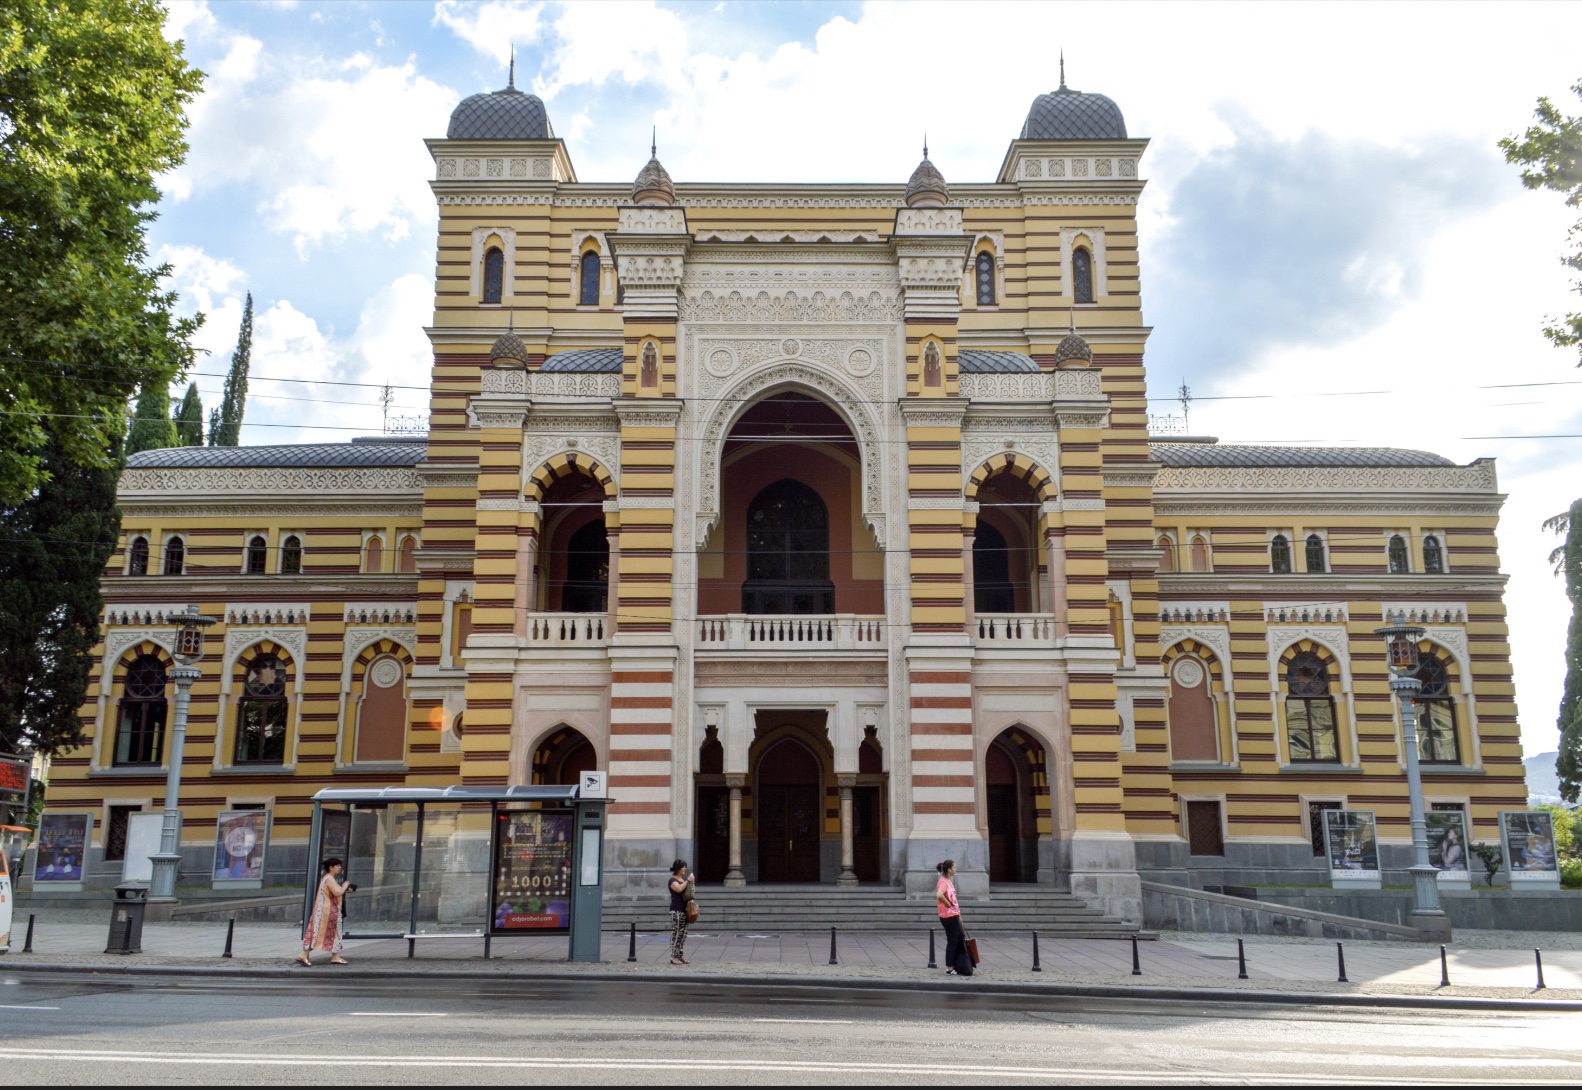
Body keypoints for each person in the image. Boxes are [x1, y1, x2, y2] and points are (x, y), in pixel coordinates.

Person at [298, 857, 352, 966]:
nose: (339, 868)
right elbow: (337, 893)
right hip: (327, 912)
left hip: (327, 911)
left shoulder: (328, 878)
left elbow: (335, 892)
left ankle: (335, 956)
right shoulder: (329, 878)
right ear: (331, 868)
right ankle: (304, 954)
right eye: (337, 866)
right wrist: (344, 887)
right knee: (320, 933)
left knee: (332, 933)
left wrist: (345, 889)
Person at [936, 859, 971, 976]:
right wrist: (948, 904)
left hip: (954, 915)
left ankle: (958, 964)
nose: (956, 869)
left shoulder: (949, 881)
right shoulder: (943, 882)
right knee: (952, 941)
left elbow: (954, 900)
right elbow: (939, 895)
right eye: (954, 867)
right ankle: (949, 967)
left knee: (959, 937)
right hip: (948, 916)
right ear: (949, 869)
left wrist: (959, 915)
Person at [668, 859, 693, 966]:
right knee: (677, 932)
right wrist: (688, 881)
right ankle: (673, 956)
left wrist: (692, 883)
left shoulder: (683, 879)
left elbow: (691, 893)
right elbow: (678, 889)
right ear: (678, 868)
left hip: (685, 910)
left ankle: (680, 955)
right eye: (683, 867)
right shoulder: (672, 880)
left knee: (683, 933)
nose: (685, 869)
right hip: (676, 909)